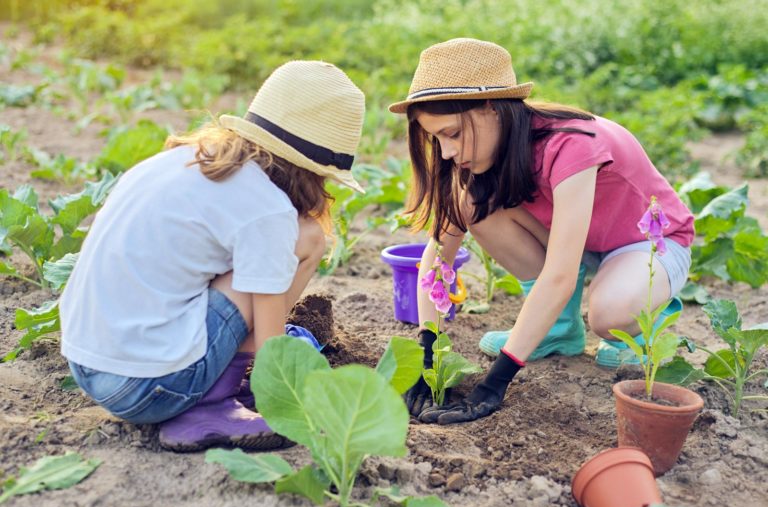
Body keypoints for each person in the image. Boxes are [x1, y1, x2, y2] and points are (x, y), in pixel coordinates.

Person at [59, 61, 366, 451]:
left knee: (253, 260)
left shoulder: (186, 160)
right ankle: (213, 402)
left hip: (87, 362)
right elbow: (271, 353)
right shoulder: (268, 208)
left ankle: (206, 379)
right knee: (309, 239)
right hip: (148, 388)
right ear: (313, 172)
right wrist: (286, 393)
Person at [389, 38, 694, 424]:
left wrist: (496, 380)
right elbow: (437, 256)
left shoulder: (570, 144)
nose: (446, 151)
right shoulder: (479, 154)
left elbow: (561, 274)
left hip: (647, 243)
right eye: (436, 139)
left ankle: (647, 316)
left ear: (491, 109)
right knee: (473, 205)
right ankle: (559, 329)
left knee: (609, 314)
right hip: (579, 240)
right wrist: (427, 354)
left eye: (451, 134)